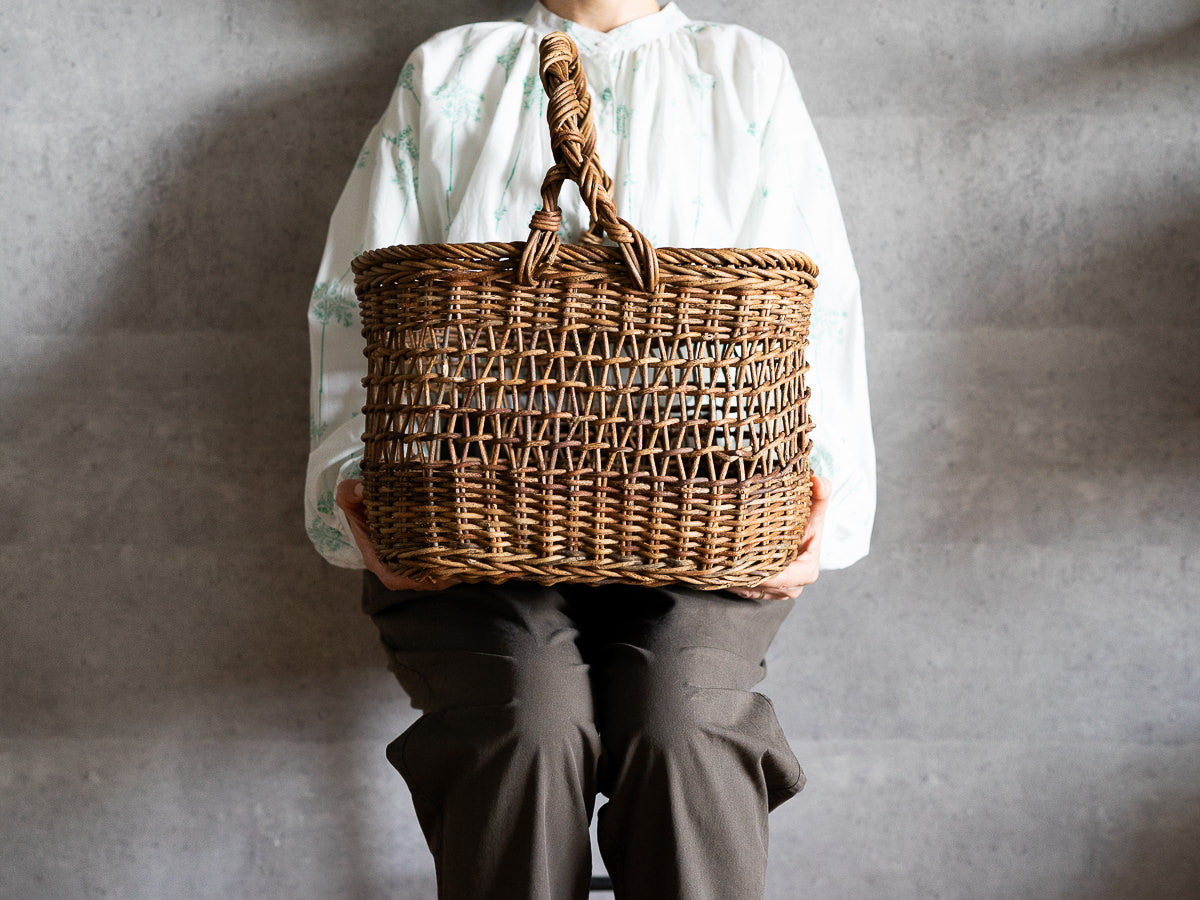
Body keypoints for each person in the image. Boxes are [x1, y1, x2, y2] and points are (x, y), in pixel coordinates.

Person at [304, 1, 876, 896]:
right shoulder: (450, 70)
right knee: (526, 721)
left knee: (683, 723)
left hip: (705, 527)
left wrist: (819, 496)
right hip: (472, 526)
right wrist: (353, 488)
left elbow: (819, 309)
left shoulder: (741, 72)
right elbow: (358, 306)